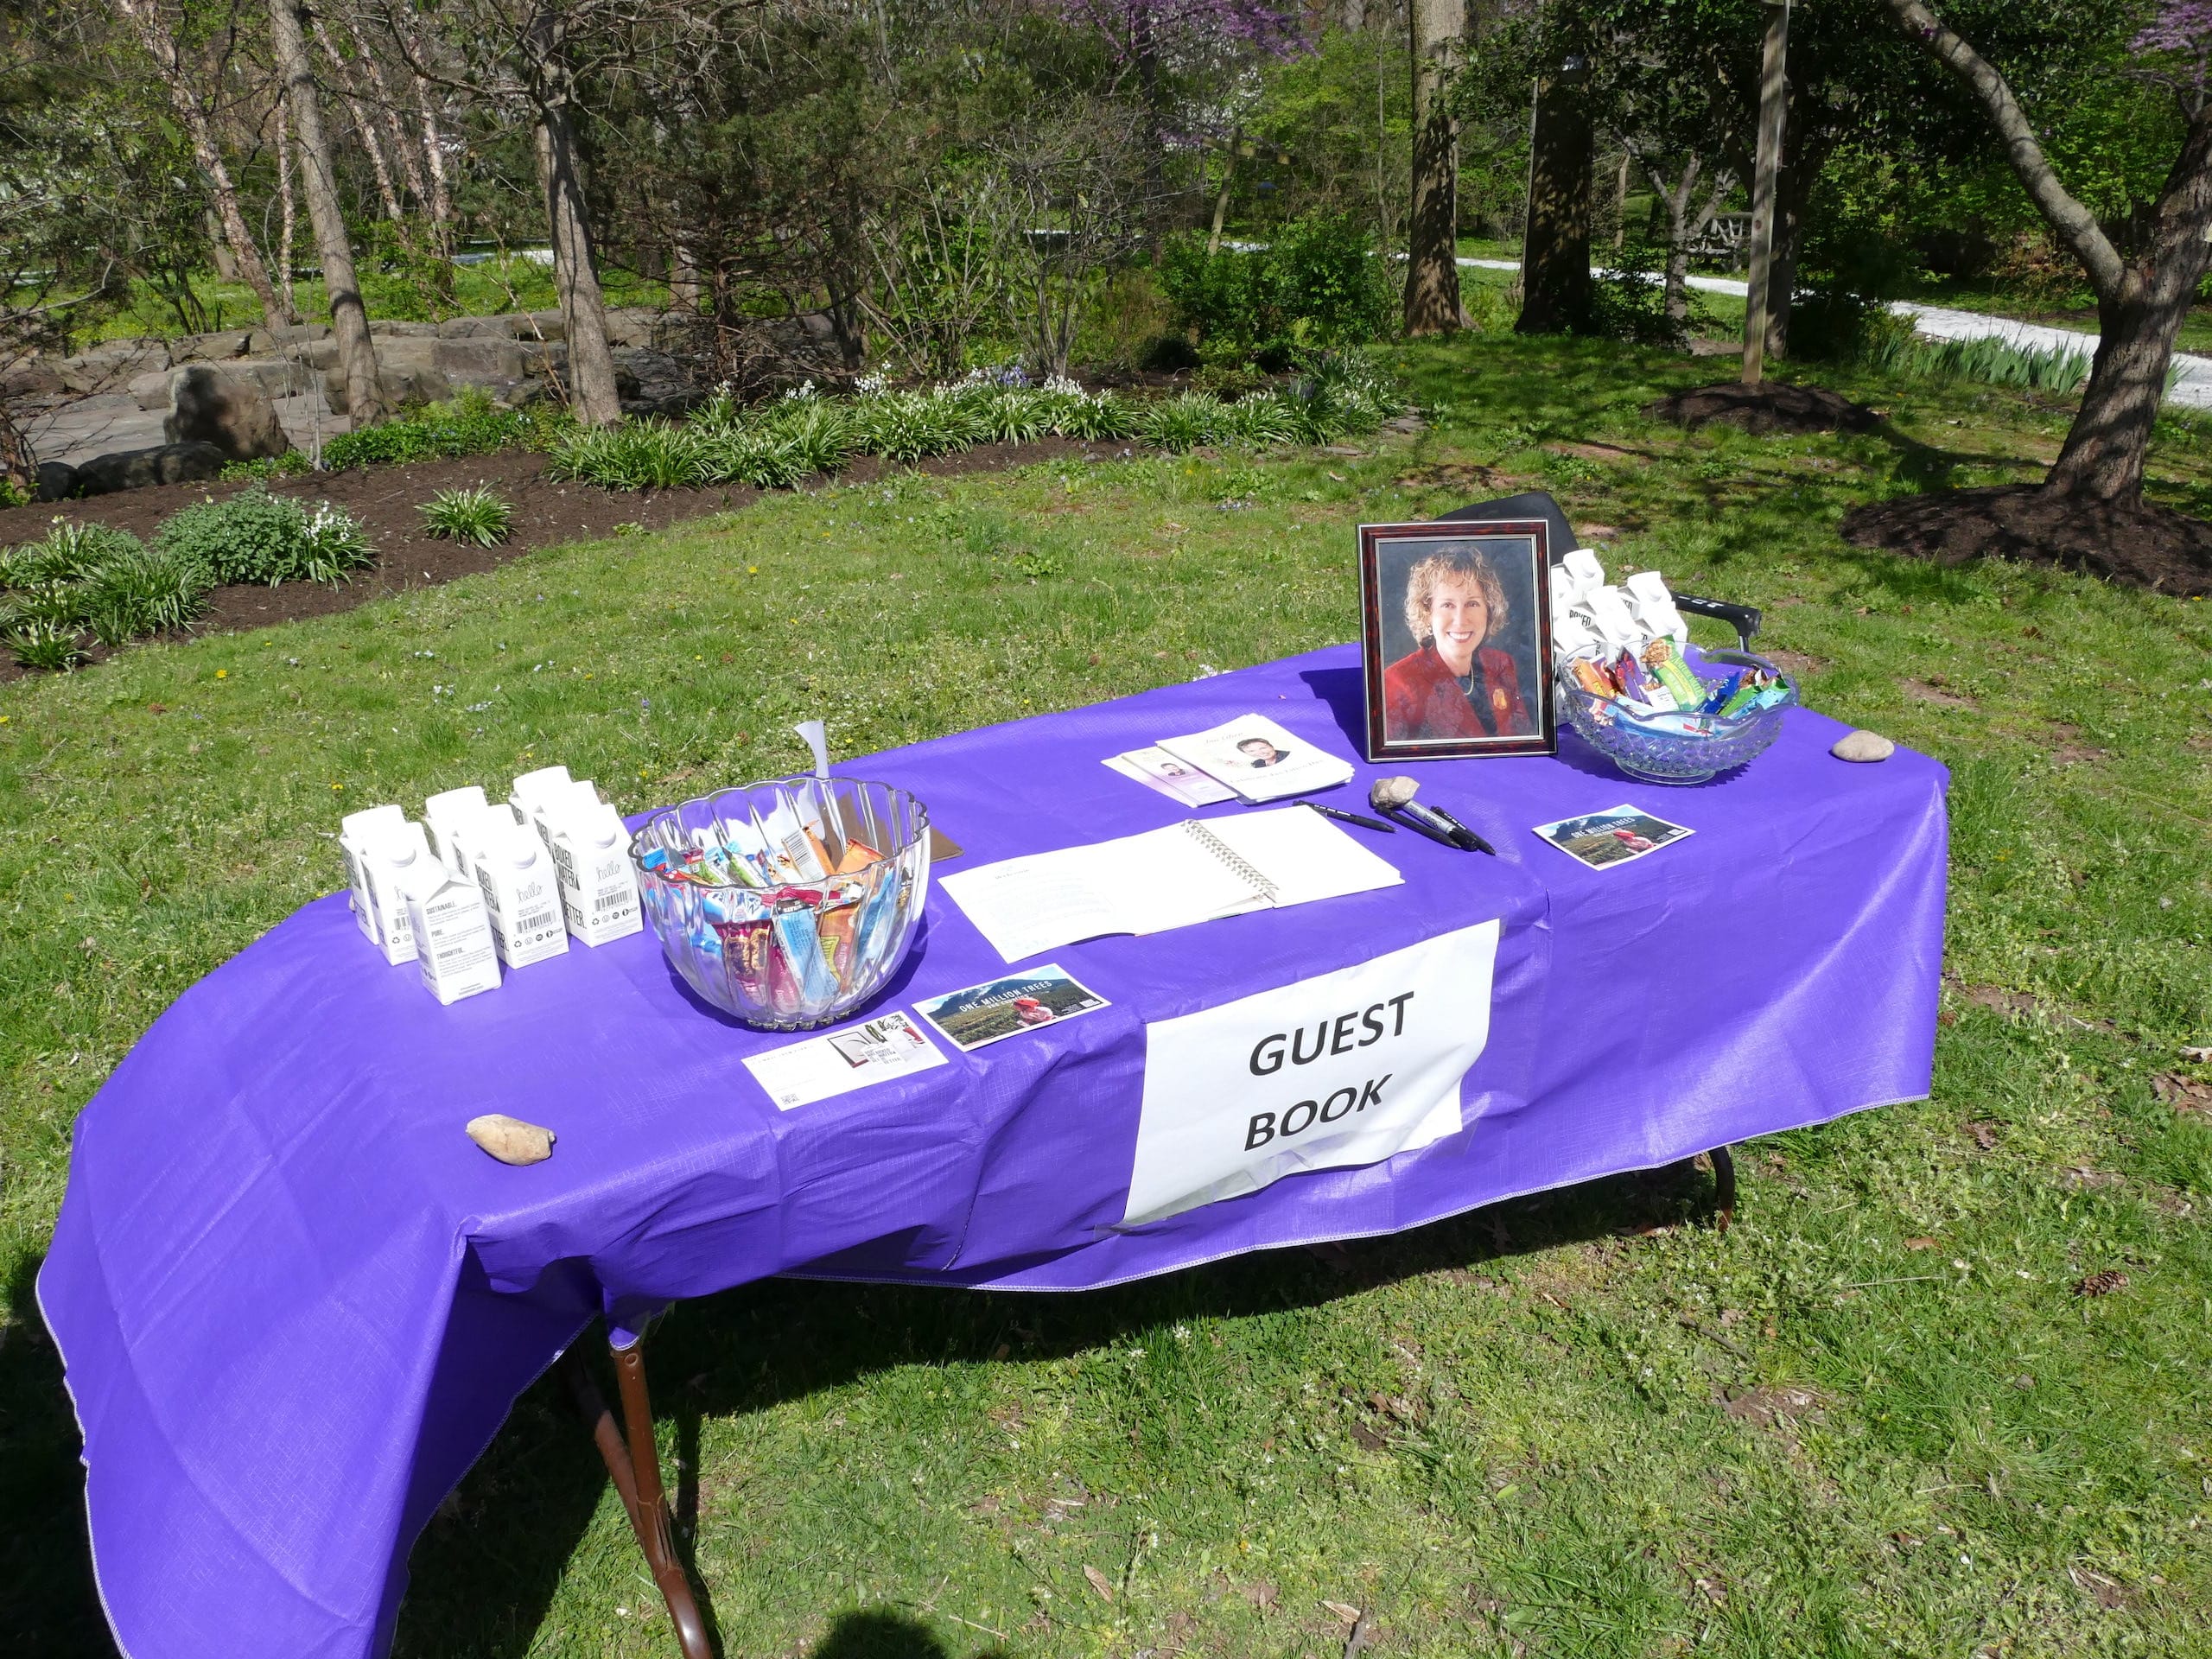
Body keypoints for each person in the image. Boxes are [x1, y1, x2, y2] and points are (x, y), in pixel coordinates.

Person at [1381, 543, 1533, 742]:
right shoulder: (1396, 683)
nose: (1460, 620)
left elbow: (1525, 739)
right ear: (1427, 613)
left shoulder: (1501, 664)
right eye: (1447, 605)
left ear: (1489, 610)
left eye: (1472, 604)